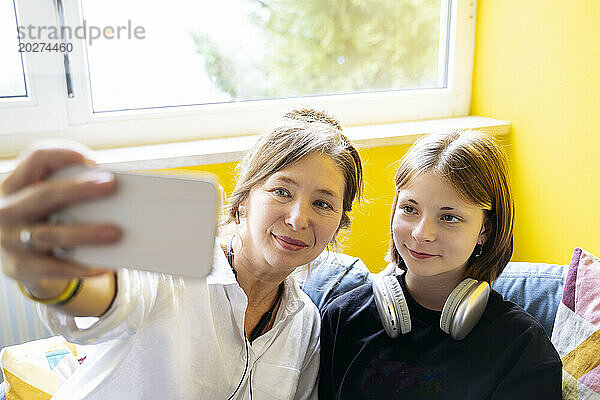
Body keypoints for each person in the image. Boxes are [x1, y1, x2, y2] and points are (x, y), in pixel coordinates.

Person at [0, 108, 363, 399]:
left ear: (338, 225)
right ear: (245, 199)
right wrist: (49, 277)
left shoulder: (306, 324)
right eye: (282, 191)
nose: (300, 218)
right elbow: (106, 296)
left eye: (322, 203)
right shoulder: (174, 264)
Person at [319, 130, 562, 399]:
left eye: (449, 217)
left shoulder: (522, 347)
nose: (422, 233)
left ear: (485, 230)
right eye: (410, 209)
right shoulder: (343, 317)